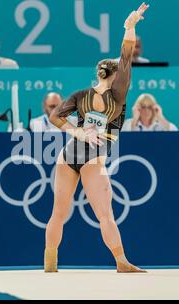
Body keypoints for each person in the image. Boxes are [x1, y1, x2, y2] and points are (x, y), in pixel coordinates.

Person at [44, 3, 150, 273]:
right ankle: (121, 261)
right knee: (105, 214)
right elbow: (126, 58)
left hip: (70, 155)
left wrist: (75, 130)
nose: (125, 78)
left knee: (59, 213)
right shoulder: (118, 95)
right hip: (89, 158)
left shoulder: (82, 95)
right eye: (120, 76)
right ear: (114, 77)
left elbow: (55, 118)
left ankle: (50, 262)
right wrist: (129, 28)